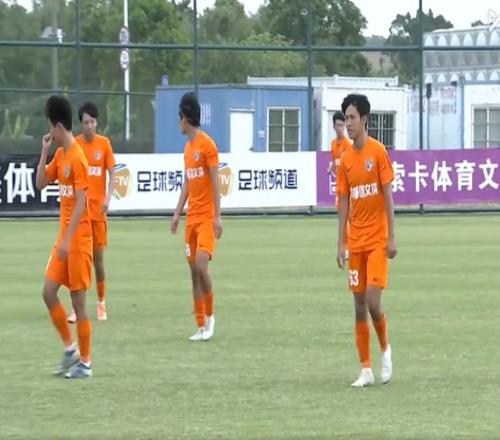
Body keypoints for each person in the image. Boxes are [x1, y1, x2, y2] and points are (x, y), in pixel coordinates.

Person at [336, 94, 397, 387]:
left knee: (373, 302)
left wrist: (392, 237)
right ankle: (366, 369)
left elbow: (388, 196)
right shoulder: (345, 160)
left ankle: (385, 349)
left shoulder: (378, 152)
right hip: (356, 242)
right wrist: (341, 243)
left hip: (377, 240)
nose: (348, 123)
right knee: (359, 305)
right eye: (346, 118)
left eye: (352, 118)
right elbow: (343, 201)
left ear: (364, 119)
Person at [36, 96, 93, 379]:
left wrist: (69, 239)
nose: (50, 131)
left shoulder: (78, 157)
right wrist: (44, 151)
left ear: (58, 126)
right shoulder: (60, 155)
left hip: (78, 241)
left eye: (51, 127)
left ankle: (86, 363)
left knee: (78, 304)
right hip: (64, 240)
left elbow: (82, 202)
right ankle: (70, 349)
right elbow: (40, 183)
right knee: (48, 292)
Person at [171, 92, 223, 341]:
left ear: (186, 118)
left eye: (179, 117)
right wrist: (177, 212)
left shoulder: (207, 146)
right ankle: (200, 325)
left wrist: (218, 217)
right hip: (191, 219)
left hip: (206, 218)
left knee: (202, 267)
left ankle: (211, 318)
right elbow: (187, 183)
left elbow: (216, 182)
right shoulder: (187, 148)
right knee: (194, 272)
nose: (178, 122)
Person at [66, 102, 116, 322]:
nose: (89, 126)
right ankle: (77, 308)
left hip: (98, 214)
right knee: (78, 261)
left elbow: (113, 173)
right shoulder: (74, 145)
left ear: (97, 123)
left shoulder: (104, 144)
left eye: (92, 122)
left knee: (98, 260)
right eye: (85, 122)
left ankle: (101, 302)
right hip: (80, 215)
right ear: (81, 124)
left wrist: (108, 197)